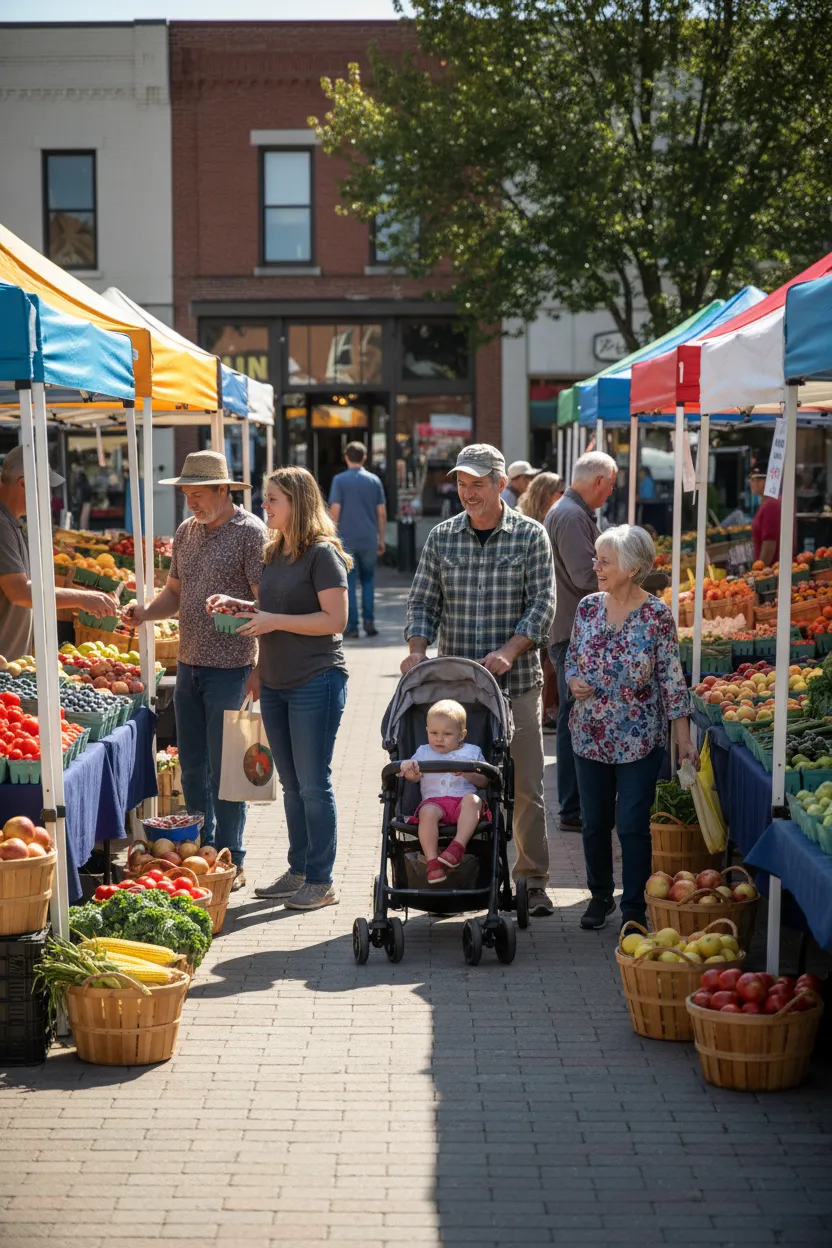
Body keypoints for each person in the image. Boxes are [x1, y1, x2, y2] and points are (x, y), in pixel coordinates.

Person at [402, 443, 557, 916]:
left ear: (500, 484)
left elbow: (543, 606)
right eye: (461, 485)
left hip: (519, 683)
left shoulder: (531, 536)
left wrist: (511, 651)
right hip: (458, 693)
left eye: (476, 484)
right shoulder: (442, 538)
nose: (467, 493)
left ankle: (532, 879)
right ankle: (458, 873)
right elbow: (422, 601)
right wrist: (416, 651)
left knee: (526, 783)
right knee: (453, 781)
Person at [124, 451, 266, 891]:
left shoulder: (251, 533)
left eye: (198, 494)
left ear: (225, 490)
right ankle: (199, 851)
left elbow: (267, 605)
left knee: (233, 770)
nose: (191, 503)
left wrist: (260, 665)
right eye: (186, 495)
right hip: (189, 666)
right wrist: (146, 612)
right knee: (191, 766)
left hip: (233, 667)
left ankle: (233, 856)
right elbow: (175, 593)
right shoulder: (186, 532)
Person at [214, 467, 349, 912]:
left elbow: (335, 621)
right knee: (290, 784)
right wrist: (240, 607)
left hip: (316, 680)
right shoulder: (275, 551)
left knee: (313, 784)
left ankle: (322, 879)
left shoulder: (322, 555)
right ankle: (299, 870)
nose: (264, 506)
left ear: (298, 503)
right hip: (273, 680)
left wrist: (272, 620)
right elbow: (273, 611)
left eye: (273, 499)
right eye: (265, 499)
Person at [565, 525, 697, 931]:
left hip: (640, 738)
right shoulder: (587, 607)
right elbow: (571, 658)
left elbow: (673, 681)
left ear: (632, 566)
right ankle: (600, 896)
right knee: (594, 821)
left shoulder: (657, 614)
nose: (596, 567)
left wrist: (684, 739)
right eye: (597, 559)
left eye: (604, 561)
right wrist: (572, 680)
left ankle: (634, 907)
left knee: (634, 823)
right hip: (589, 735)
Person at [544, 451, 617, 832]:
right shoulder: (571, 515)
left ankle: (574, 806)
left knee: (575, 719)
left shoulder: (570, 512)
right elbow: (586, 577)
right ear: (599, 481)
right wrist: (622, 574)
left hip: (572, 628)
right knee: (575, 721)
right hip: (574, 630)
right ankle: (572, 809)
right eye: (611, 483)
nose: (611, 492)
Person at [0, 446, 117, 660]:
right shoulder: (2, 525)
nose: (49, 496)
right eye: (43, 487)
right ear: (23, 483)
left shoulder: (10, 523)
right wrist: (82, 598)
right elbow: (19, 592)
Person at [399, 699, 489, 885]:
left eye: (447, 734)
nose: (439, 738)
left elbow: (485, 781)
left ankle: (457, 847)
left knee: (473, 800)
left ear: (462, 735)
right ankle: (432, 862)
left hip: (461, 804)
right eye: (434, 733)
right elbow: (414, 779)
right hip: (435, 803)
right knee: (427, 812)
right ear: (426, 731)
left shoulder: (472, 752)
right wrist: (409, 772)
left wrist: (468, 774)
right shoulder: (423, 752)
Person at [329, 441, 386, 639]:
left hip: (346, 541)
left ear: (346, 457)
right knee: (369, 581)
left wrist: (331, 535)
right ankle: (369, 622)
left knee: (349, 583)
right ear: (364, 458)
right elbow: (381, 513)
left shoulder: (339, 480)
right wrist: (381, 538)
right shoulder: (374, 481)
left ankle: (352, 626)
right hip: (369, 538)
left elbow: (335, 510)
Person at [750, 470, 795, 566]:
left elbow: (769, 544)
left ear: (765, 481)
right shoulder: (766, 503)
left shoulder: (771, 505)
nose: (752, 482)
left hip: (773, 571)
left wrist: (759, 570)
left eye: (755, 479)